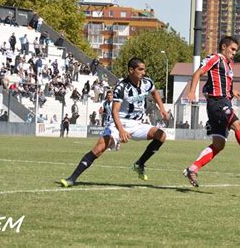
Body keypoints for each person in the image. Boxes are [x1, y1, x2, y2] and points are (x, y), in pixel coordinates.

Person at [60, 57, 169, 187]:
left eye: (144, 69)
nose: (143, 72)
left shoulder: (147, 83)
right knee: (99, 149)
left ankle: (140, 164)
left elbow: (155, 93)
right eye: (140, 69)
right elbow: (114, 112)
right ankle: (72, 178)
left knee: (161, 135)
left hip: (137, 124)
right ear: (131, 70)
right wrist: (121, 130)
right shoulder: (121, 87)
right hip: (119, 123)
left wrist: (162, 109)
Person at [184, 36, 240, 187]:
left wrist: (231, 91)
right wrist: (192, 91)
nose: (234, 52)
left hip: (221, 101)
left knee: (219, 144)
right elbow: (198, 73)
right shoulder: (215, 58)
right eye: (232, 49)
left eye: (236, 50)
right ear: (224, 47)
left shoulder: (228, 65)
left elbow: (219, 83)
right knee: (238, 125)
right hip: (218, 102)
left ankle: (192, 169)